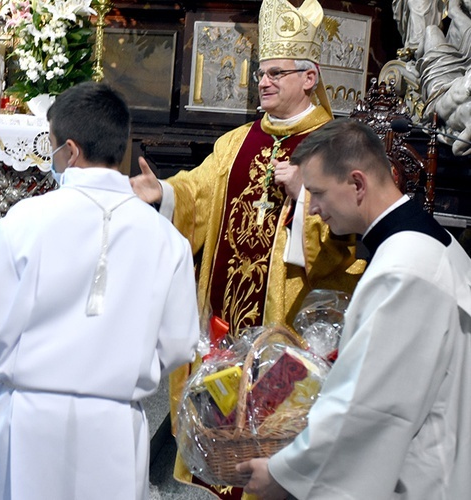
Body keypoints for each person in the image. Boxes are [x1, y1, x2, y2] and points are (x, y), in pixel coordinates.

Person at [130, 0, 364, 495]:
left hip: (291, 331)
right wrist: (165, 193)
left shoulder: (336, 146)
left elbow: (351, 242)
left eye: (277, 72)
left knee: (276, 451)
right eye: (261, 72)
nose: (264, 81)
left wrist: (305, 195)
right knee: (224, 449)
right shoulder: (237, 141)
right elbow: (199, 191)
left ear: (310, 76)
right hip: (225, 324)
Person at [0, 82, 200, 500]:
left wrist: (13, 371)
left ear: (70, 150)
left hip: (25, 418)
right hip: (114, 427)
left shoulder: (26, 219)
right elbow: (177, 345)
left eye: (51, 146)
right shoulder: (164, 238)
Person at [237, 119, 471, 499]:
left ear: (357, 184)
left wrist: (285, 473)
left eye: (317, 193)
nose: (312, 210)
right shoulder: (425, 240)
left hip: (425, 474)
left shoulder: (402, 270)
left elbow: (365, 407)